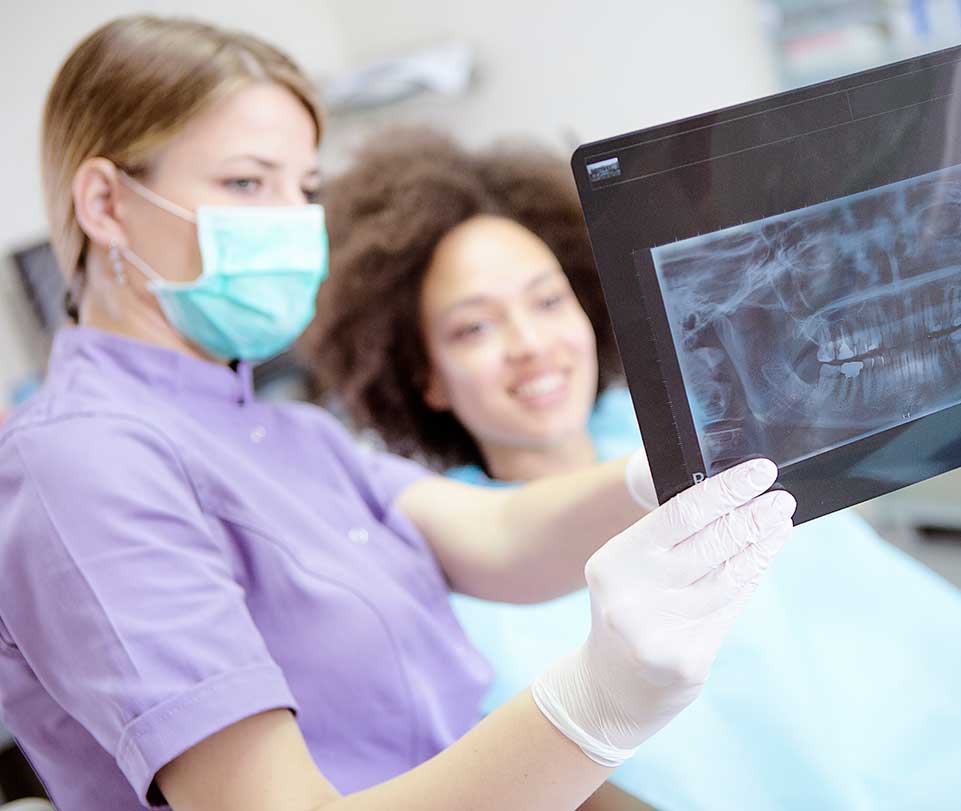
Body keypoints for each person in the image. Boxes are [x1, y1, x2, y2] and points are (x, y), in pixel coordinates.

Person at [0, 17, 798, 811]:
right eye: (247, 183)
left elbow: (500, 533)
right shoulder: (80, 462)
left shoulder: (285, 431)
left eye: (302, 189)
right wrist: (593, 706)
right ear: (105, 202)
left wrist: (667, 469)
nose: (289, 219)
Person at [305, 127, 961, 811]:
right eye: (474, 326)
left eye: (547, 300)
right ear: (420, 372)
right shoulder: (463, 566)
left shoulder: (701, 417)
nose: (531, 344)